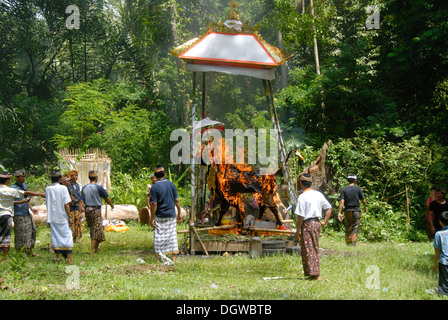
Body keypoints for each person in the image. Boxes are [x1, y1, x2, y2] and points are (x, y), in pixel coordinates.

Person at [294, 173, 332, 280]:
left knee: (308, 248)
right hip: (316, 223)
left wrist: (297, 231)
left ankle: (315, 274)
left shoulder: (302, 197)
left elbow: (301, 216)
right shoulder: (318, 194)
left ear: (301, 183)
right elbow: (329, 208)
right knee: (314, 247)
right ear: (311, 183)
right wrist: (324, 222)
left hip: (307, 224)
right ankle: (312, 273)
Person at [0, 172, 45, 261]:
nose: (24, 178)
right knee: (6, 236)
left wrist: (30, 206)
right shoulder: (10, 190)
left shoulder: (19, 187)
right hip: (7, 214)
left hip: (18, 213)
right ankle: (4, 257)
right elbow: (25, 193)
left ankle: (27, 251)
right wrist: (40, 194)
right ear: (8, 181)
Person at [150, 165, 182, 264]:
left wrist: (152, 218)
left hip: (160, 215)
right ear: (164, 174)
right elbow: (177, 201)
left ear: (155, 175)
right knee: (171, 236)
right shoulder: (171, 185)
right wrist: (179, 214)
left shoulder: (154, 187)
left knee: (159, 237)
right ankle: (173, 258)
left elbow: (154, 204)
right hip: (171, 214)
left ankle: (158, 259)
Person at [79, 170, 114, 255]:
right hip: (96, 211)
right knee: (96, 230)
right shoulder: (98, 188)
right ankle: (91, 251)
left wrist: (80, 211)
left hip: (87, 211)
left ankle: (97, 247)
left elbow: (81, 201)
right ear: (96, 178)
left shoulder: (84, 188)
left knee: (94, 229)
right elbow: (106, 198)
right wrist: (111, 205)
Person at [45, 170, 73, 264]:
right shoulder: (63, 188)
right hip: (62, 216)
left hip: (52, 216)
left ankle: (58, 257)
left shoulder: (48, 189)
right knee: (67, 235)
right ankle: (69, 258)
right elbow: (66, 204)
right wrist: (70, 216)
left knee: (55, 236)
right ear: (60, 178)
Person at [11, 169, 40, 257]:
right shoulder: (13, 188)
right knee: (20, 232)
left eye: (24, 176)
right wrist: (20, 202)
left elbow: (26, 199)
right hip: (18, 213)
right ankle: (18, 252)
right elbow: (10, 202)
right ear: (16, 177)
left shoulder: (24, 186)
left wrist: (32, 208)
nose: (23, 178)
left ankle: (29, 250)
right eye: (21, 177)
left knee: (32, 230)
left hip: (26, 212)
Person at [337, 174, 367, 246]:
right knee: (355, 226)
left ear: (348, 180)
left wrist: (339, 212)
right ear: (355, 181)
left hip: (347, 210)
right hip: (356, 210)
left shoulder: (343, 189)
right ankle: (352, 244)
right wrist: (364, 207)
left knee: (348, 226)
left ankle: (348, 243)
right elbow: (363, 200)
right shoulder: (358, 189)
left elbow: (342, 201)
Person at [432, 211, 448, 295]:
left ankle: (444, 294)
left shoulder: (439, 234)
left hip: (444, 261)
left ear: (441, 222)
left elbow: (437, 251)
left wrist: (435, 263)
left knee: (444, 281)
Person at [68, 170, 83, 242]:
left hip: (77, 206)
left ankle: (76, 237)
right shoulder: (68, 185)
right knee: (71, 222)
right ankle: (71, 237)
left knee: (77, 221)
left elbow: (79, 196)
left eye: (76, 175)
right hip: (71, 206)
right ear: (70, 177)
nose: (76, 177)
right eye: (74, 175)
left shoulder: (77, 185)